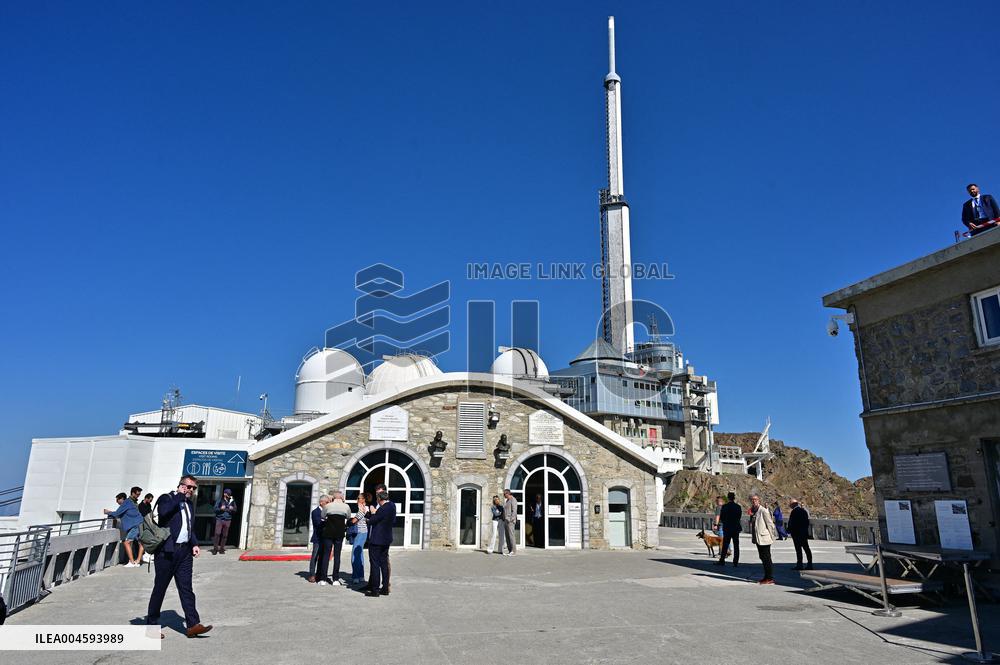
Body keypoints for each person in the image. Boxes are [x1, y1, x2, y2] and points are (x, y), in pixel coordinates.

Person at [146, 475, 212, 639]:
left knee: (186, 589)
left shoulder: (189, 504)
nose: (191, 490)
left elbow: (190, 527)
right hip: (166, 552)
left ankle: (192, 625)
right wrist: (179, 496)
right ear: (180, 486)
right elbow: (163, 513)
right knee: (160, 589)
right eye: (188, 487)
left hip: (184, 553)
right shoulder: (167, 498)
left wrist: (194, 544)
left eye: (193, 488)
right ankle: (151, 627)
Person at [365, 487, 396, 597]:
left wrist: (373, 513)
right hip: (386, 539)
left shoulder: (382, 509)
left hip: (377, 540)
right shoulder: (392, 506)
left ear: (379, 499)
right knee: (384, 564)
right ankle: (385, 588)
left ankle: (375, 590)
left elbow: (372, 521)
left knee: (375, 564)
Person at [103, 491, 144, 567]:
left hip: (134, 526)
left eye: (117, 500)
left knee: (126, 542)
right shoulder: (130, 503)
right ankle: (137, 561)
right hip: (139, 524)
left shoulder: (126, 503)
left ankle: (131, 562)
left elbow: (117, 513)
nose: (117, 503)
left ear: (121, 499)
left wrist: (108, 512)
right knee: (140, 543)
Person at [320, 492, 351, 586]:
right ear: (342, 498)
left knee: (326, 555)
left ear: (333, 498)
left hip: (328, 532)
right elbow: (348, 517)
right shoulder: (346, 506)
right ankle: (335, 579)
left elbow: (322, 516)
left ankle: (323, 579)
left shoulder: (328, 506)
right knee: (337, 556)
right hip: (339, 533)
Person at [749, 494, 778, 585]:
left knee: (766, 558)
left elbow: (770, 524)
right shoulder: (754, 511)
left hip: (764, 538)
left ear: (759, 500)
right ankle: (766, 577)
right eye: (752, 500)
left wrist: (771, 536)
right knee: (762, 557)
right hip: (758, 539)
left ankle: (770, 578)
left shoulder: (763, 511)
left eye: (756, 499)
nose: (754, 501)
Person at [714, 492, 742, 567]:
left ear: (728, 498)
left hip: (727, 528)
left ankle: (722, 560)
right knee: (736, 546)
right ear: (734, 498)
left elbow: (722, 518)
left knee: (725, 545)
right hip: (736, 528)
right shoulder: (738, 507)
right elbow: (739, 517)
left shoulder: (725, 507)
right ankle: (735, 562)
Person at [308, 495, 331, 583]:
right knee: (315, 557)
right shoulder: (315, 512)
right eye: (327, 502)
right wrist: (326, 521)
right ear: (321, 502)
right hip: (318, 538)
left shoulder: (328, 512)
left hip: (326, 538)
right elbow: (318, 524)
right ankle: (312, 575)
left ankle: (320, 574)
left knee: (323, 557)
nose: (328, 504)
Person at [349, 492, 370, 585]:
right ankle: (361, 576)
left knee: (355, 555)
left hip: (360, 533)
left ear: (363, 500)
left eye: (359, 498)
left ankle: (356, 576)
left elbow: (354, 520)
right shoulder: (365, 508)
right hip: (363, 533)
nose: (357, 500)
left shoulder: (362, 509)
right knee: (360, 554)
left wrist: (349, 521)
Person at [787, 499, 813, 571]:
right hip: (803, 533)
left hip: (796, 534)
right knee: (806, 549)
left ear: (793, 504)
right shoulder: (803, 511)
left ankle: (800, 564)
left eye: (790, 504)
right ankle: (810, 564)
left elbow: (792, 523)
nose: (790, 505)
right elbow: (807, 522)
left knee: (798, 550)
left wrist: (789, 530)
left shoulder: (794, 512)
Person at [211, 489, 237, 555]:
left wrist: (232, 509)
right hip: (219, 519)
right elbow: (214, 509)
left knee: (225, 535)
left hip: (228, 520)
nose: (229, 495)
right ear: (224, 494)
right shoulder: (220, 500)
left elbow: (235, 510)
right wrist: (220, 509)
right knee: (217, 534)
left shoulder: (232, 501)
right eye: (227, 494)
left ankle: (222, 549)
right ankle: (215, 549)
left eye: (229, 494)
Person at [501, 489, 518, 556]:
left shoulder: (513, 500)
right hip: (506, 520)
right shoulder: (507, 500)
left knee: (511, 536)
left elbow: (514, 511)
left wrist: (511, 519)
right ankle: (510, 550)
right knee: (507, 536)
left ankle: (514, 551)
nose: (503, 495)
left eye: (504, 494)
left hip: (510, 521)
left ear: (508, 493)